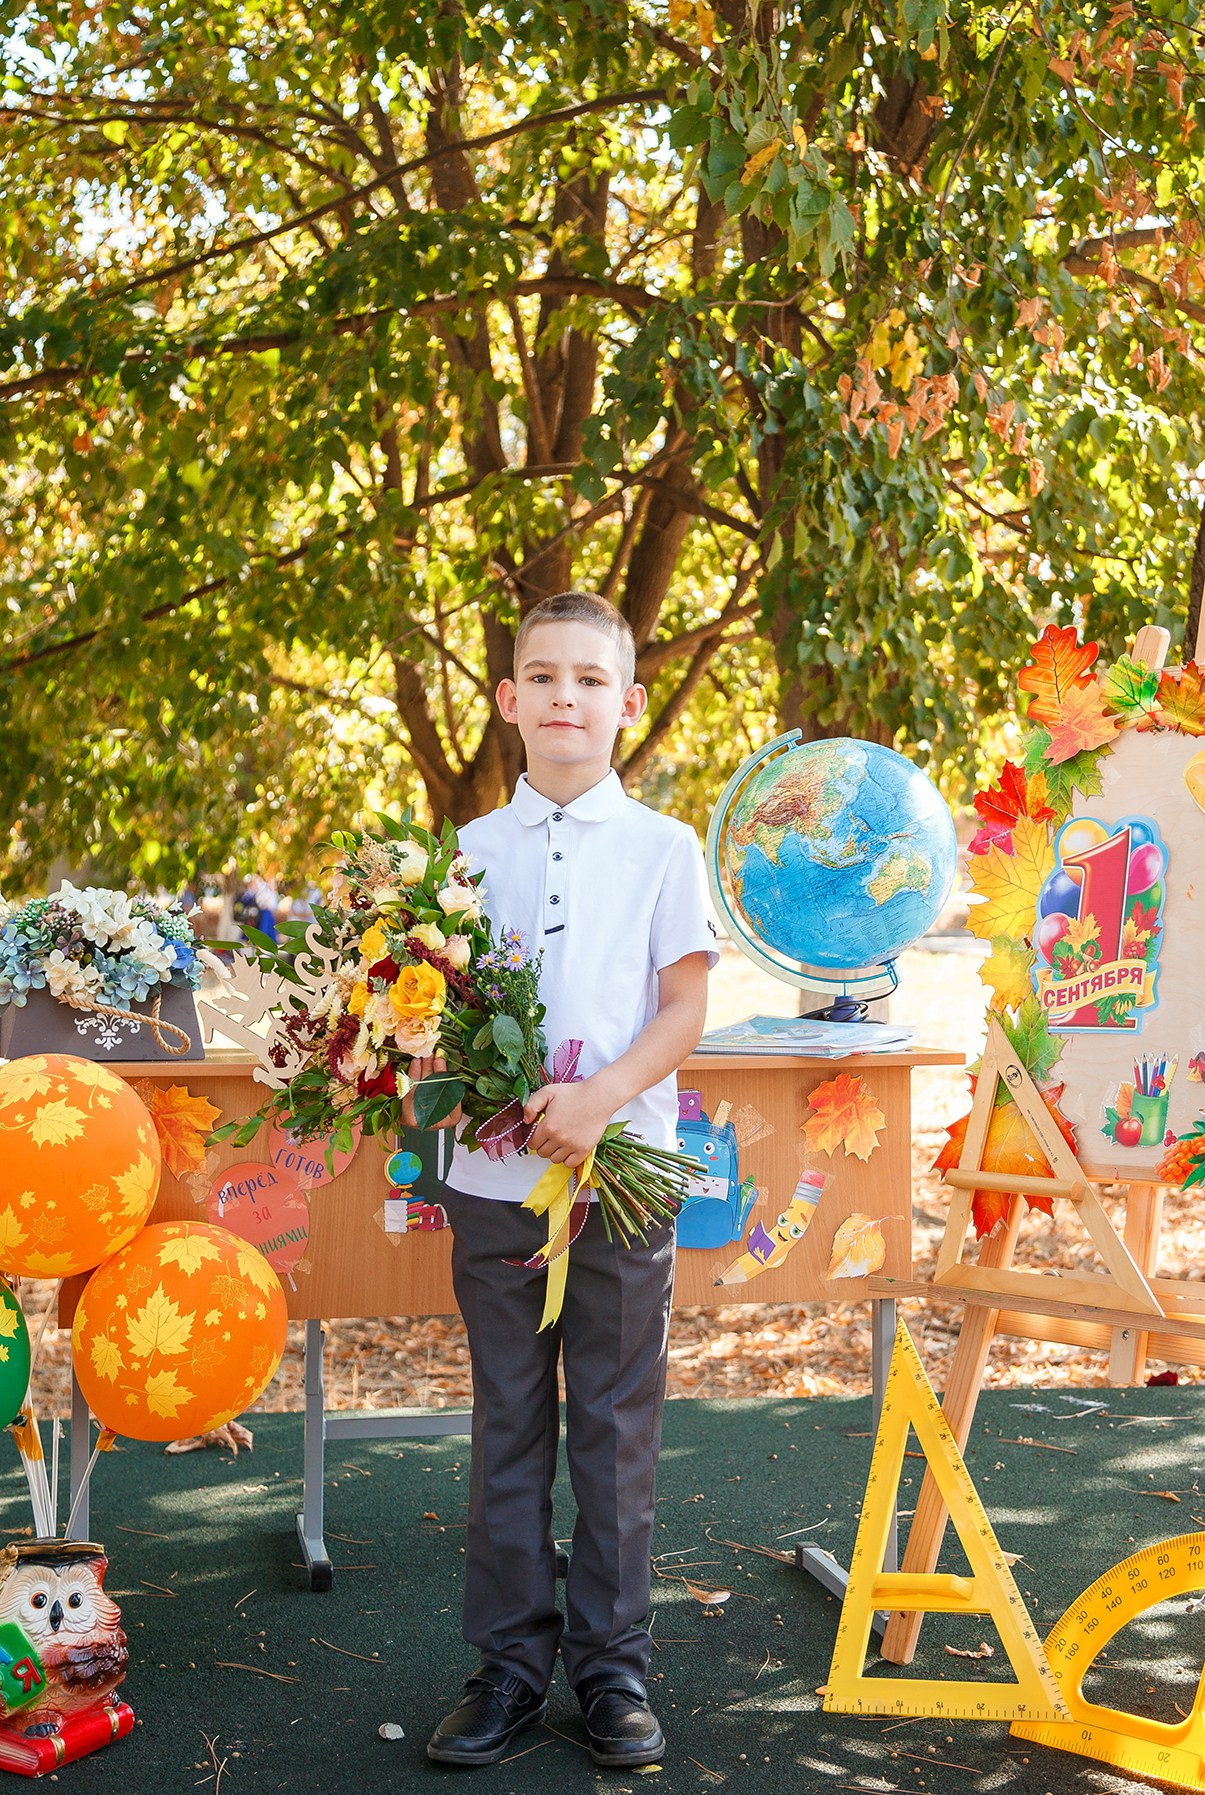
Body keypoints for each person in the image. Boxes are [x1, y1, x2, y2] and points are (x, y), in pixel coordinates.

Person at [404, 590, 716, 1770]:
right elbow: (427, 1009)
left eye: (589, 680)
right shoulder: (462, 858)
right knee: (509, 1417)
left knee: (614, 1421)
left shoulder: (663, 847)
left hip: (622, 1179)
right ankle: (506, 1667)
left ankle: (612, 1668)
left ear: (627, 702)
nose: (564, 699)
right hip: (493, 1182)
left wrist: (596, 1102)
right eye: (541, 678)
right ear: (507, 700)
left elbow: (684, 1002)